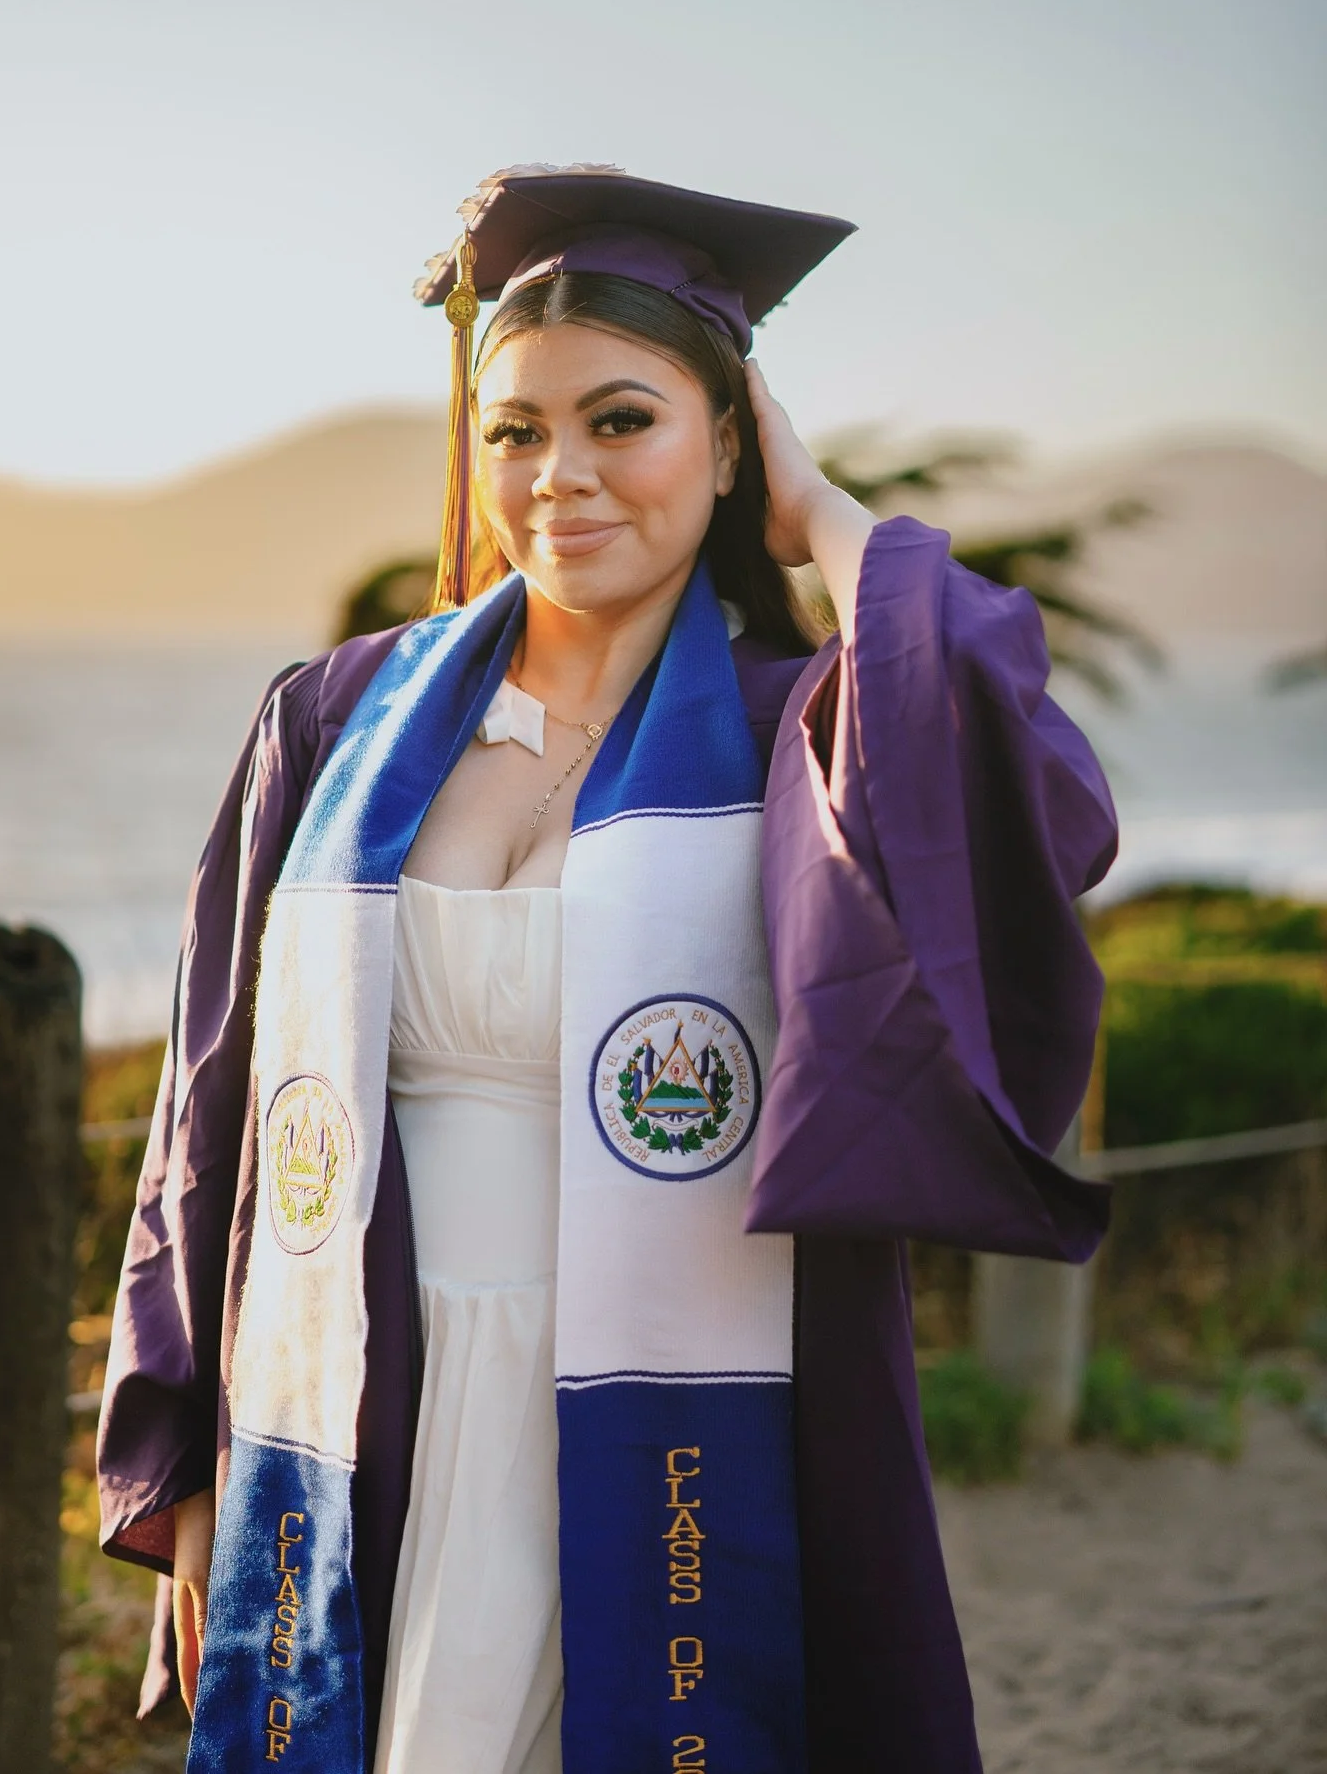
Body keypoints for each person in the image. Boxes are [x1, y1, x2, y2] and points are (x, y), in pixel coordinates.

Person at [97, 166, 1116, 1774]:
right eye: (515, 429)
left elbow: (1016, 773)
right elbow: (204, 1108)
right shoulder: (338, 724)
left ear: (729, 441)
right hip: (368, 1411)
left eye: (623, 419)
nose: (559, 474)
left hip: (681, 1442)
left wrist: (824, 519)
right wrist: (190, 1450)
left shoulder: (804, 743)